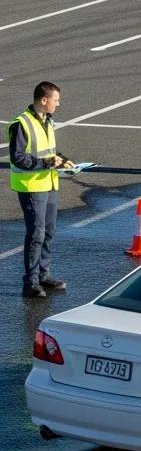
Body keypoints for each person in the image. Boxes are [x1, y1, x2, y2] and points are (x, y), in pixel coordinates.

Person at [7, 81, 70, 299]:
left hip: (49, 184)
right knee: (36, 234)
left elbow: (48, 150)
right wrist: (47, 163)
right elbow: (19, 158)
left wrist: (62, 160)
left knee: (48, 232)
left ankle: (44, 275)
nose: (58, 104)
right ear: (44, 100)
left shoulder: (48, 120)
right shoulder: (21, 124)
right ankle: (31, 283)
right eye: (56, 100)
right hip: (32, 186)